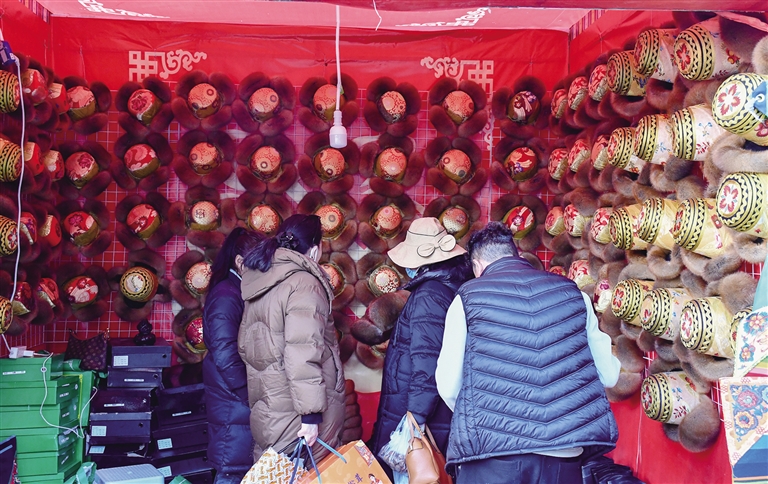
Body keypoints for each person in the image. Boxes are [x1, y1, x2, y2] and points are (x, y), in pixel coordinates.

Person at [436, 222, 621, 484]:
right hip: (563, 453)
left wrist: (482, 415)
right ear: (516, 255)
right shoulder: (574, 294)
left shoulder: (468, 298)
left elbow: (448, 386)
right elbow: (609, 375)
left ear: (477, 266)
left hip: (493, 455)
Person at [369, 217, 473, 478]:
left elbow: (427, 362)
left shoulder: (430, 295)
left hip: (418, 412)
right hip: (436, 412)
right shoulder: (451, 286)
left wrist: (414, 420)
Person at [238, 214, 345, 461]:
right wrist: (310, 416)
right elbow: (303, 351)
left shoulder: (262, 279)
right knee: (309, 471)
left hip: (269, 404)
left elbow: (245, 346)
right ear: (315, 249)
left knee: (277, 470)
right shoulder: (305, 283)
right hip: (300, 412)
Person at [202, 227, 262, 484]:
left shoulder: (237, 291)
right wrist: (250, 395)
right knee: (232, 470)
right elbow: (225, 354)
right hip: (233, 401)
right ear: (240, 262)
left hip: (236, 401)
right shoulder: (227, 295)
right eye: (259, 263)